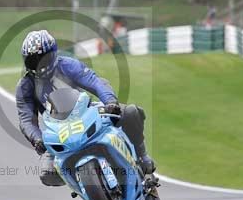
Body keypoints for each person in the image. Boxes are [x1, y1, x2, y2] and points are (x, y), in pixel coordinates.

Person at [16, 29, 155, 187]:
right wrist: (37, 139)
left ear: (53, 53)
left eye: (43, 58)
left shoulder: (67, 65)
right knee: (47, 175)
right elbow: (26, 119)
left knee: (131, 112)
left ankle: (142, 156)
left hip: (87, 112)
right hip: (57, 130)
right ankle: (86, 189)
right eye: (34, 60)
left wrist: (110, 102)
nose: (40, 65)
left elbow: (95, 82)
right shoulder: (25, 86)